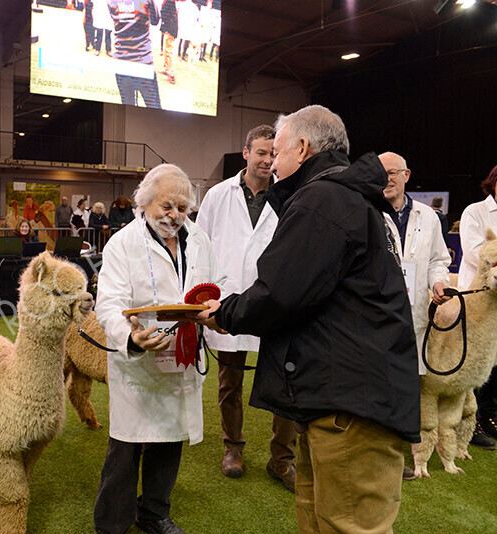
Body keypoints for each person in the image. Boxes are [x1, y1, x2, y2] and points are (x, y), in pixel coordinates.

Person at [189, 105, 420, 533]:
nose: (271, 163)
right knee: (319, 519)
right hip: (339, 399)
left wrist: (226, 312)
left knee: (348, 525)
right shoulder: (347, 197)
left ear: (302, 145)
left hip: (351, 402)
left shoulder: (325, 198)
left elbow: (281, 292)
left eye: (276, 152)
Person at [93, 163, 226, 534]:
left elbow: (219, 282)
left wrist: (217, 310)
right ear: (145, 202)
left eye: (183, 208)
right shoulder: (123, 243)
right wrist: (130, 338)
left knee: (170, 439)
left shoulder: (198, 238)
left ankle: (153, 513)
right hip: (140, 364)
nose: (175, 216)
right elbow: (109, 303)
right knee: (126, 448)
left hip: (182, 356)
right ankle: (112, 524)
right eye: (167, 206)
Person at [196, 124, 297, 491]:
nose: (268, 160)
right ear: (246, 153)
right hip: (229, 301)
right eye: (261, 153)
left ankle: (282, 457)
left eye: (273, 154)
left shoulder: (290, 197)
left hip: (274, 303)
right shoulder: (218, 195)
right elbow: (200, 246)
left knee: (286, 381)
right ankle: (233, 448)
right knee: (230, 382)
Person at [379, 152, 453, 468]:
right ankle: (375, 451)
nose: (387, 179)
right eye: (380, 173)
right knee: (377, 382)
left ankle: (399, 453)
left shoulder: (428, 216)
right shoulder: (367, 212)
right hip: (377, 314)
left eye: (393, 172)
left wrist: (438, 284)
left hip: (415, 316)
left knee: (408, 385)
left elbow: (438, 260)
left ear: (407, 174)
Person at [458, 163, 497, 448]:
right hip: (479, 299)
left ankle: (489, 416)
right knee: (474, 363)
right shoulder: (475, 212)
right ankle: (470, 422)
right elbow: (475, 255)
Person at [106, 0, 161, 109]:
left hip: (122, 62)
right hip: (143, 61)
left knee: (128, 109)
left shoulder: (111, 1)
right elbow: (155, 21)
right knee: (154, 109)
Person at [159, 0, 178, 84]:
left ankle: (172, 75)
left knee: (169, 52)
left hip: (170, 29)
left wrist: (165, 29)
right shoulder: (171, 2)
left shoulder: (169, 2)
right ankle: (166, 68)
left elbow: (165, 15)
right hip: (170, 28)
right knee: (167, 51)